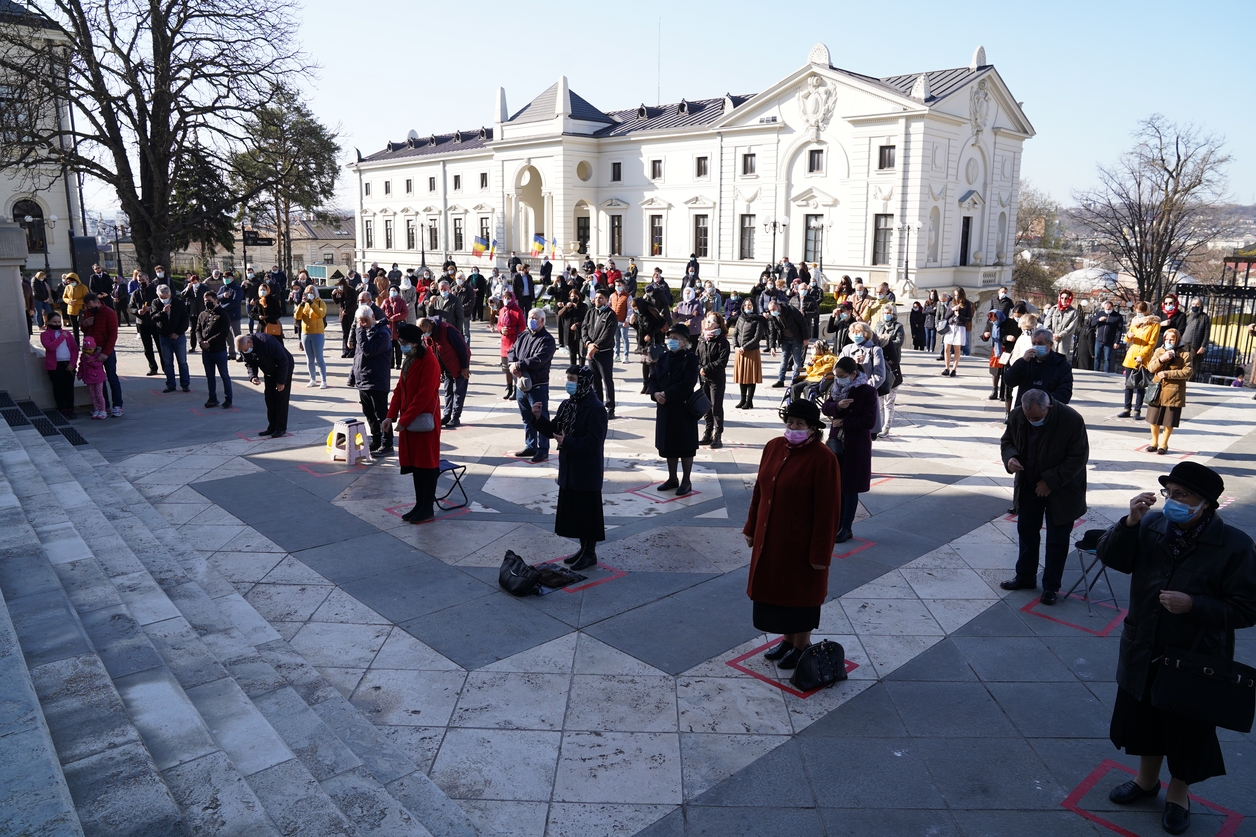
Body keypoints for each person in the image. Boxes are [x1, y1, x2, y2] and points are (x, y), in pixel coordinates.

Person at [1097, 463, 1256, 837]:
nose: (1172, 502)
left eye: (1182, 496)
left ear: (1206, 504)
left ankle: (1178, 797)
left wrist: (1195, 605)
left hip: (1194, 656)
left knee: (1186, 730)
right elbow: (1112, 558)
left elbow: (1248, 607)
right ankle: (1146, 781)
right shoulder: (1151, 526)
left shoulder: (1234, 545)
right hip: (1144, 643)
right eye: (1170, 494)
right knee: (1142, 718)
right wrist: (1129, 523)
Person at [743, 398, 839, 669]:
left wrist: (821, 553)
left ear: (812, 429)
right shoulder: (774, 447)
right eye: (790, 422)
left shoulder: (823, 459)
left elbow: (828, 511)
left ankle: (801, 646)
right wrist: (751, 528)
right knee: (778, 594)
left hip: (801, 542)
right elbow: (759, 492)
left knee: (801, 596)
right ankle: (788, 640)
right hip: (771, 538)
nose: (793, 427)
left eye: (799, 423)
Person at [999, 389, 1089, 605]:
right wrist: (1010, 458)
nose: (1031, 421)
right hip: (1029, 484)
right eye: (1029, 417)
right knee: (1027, 532)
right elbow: (1007, 441)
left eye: (1037, 418)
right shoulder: (1018, 415)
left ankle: (1051, 587)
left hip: (1062, 489)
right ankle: (1025, 577)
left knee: (1057, 540)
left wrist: (1050, 482)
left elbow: (1077, 458)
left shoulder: (1071, 419)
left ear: (1048, 408)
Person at [528, 366, 608, 570]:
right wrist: (538, 418)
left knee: (588, 513)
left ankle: (590, 553)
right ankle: (582, 549)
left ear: (584, 383)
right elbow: (554, 429)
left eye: (573, 379)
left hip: (587, 469)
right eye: (568, 378)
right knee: (576, 512)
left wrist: (568, 442)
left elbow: (593, 443)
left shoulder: (596, 408)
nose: (569, 383)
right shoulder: (567, 405)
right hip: (570, 466)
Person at [382, 323, 443, 523]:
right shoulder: (409, 360)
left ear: (415, 342)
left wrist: (404, 419)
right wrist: (390, 416)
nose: (401, 345)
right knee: (416, 465)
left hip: (424, 421)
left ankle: (427, 508)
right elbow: (400, 389)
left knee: (427, 464)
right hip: (411, 420)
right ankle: (419, 505)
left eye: (404, 342)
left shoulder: (429, 361)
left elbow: (424, 395)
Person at [823, 356, 877, 543]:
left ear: (854, 374)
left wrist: (845, 421)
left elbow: (869, 421)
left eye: (842, 376)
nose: (839, 379)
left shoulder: (868, 391)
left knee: (850, 488)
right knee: (836, 486)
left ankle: (846, 527)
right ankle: (836, 524)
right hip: (836, 443)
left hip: (855, 446)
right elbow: (826, 407)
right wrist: (837, 405)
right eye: (837, 376)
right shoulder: (837, 388)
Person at [648, 324, 701, 496]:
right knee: (668, 444)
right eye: (670, 338)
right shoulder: (663, 357)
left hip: (682, 407)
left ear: (685, 342)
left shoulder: (690, 358)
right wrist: (655, 393)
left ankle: (686, 480)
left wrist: (667, 394)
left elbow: (688, 383)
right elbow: (653, 378)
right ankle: (672, 478)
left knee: (685, 445)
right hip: (664, 407)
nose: (672, 341)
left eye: (676, 339)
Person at [507, 308, 556, 461]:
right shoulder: (523, 335)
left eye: (534, 318)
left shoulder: (547, 340)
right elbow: (512, 351)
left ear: (542, 321)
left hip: (537, 385)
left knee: (540, 417)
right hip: (521, 384)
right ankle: (531, 445)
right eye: (529, 317)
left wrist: (519, 366)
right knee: (526, 417)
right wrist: (512, 364)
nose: (531, 320)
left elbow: (539, 359)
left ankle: (543, 449)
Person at [350, 305, 393, 453]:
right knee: (369, 414)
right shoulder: (365, 333)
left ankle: (387, 443)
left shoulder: (382, 334)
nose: (363, 323)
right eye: (360, 321)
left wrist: (360, 330)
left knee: (380, 414)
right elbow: (358, 355)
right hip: (363, 380)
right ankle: (376, 440)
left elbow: (368, 351)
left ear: (373, 317)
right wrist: (353, 375)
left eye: (365, 320)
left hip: (377, 381)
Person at [238, 332, 294, 438]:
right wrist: (253, 376)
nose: (244, 352)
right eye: (242, 351)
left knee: (281, 398)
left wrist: (281, 381)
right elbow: (249, 363)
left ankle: (281, 428)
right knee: (269, 397)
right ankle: (272, 427)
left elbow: (283, 361)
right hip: (269, 371)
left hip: (283, 368)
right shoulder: (244, 347)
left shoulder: (266, 341)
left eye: (245, 349)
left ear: (250, 342)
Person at [1145, 329, 1192, 456]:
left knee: (1169, 420)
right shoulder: (1159, 351)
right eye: (1166, 339)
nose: (1169, 341)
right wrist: (1161, 359)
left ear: (1177, 340)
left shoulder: (1184, 354)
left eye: (1172, 339)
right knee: (1153, 418)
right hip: (1157, 389)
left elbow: (1188, 372)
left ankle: (1163, 444)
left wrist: (1168, 374)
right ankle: (1153, 443)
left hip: (1174, 391)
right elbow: (1150, 368)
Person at [419, 316, 471, 430]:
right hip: (446, 367)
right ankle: (447, 415)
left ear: (429, 326)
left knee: (458, 391)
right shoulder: (430, 335)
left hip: (458, 365)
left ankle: (456, 417)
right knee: (447, 391)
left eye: (423, 332)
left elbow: (462, 349)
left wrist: (465, 367)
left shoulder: (447, 330)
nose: (423, 335)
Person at [1004, 328, 1074, 406]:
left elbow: (1064, 394)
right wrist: (1022, 362)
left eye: (1040, 343)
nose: (1036, 346)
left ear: (1050, 344)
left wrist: (1041, 401)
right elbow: (1009, 381)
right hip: (1024, 409)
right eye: (1034, 343)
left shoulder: (1061, 364)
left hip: (1049, 411)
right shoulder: (1026, 361)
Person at [79, 293, 123, 417]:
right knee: (97, 379)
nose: (90, 308)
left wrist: (106, 353)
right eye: (88, 307)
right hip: (92, 351)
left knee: (112, 378)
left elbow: (113, 335)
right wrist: (84, 324)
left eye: (92, 306)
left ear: (98, 302)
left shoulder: (109, 313)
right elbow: (85, 330)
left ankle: (118, 405)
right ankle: (104, 406)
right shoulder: (88, 312)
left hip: (105, 350)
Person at [838, 322, 886, 431]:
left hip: (865, 396)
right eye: (853, 332)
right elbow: (836, 369)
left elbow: (879, 375)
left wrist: (864, 389)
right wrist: (852, 362)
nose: (855, 334)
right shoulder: (847, 349)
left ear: (865, 333)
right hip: (846, 394)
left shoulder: (875, 350)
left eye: (858, 332)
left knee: (865, 431)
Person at [1121, 302, 1161, 420]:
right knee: (1128, 384)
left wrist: (1142, 355)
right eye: (1137, 311)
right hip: (1131, 355)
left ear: (1147, 311)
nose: (1139, 314)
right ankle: (1126, 409)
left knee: (1140, 385)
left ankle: (1137, 411)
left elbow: (1152, 343)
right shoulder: (1134, 321)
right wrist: (1129, 336)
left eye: (1141, 312)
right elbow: (1127, 339)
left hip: (1144, 357)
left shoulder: (1154, 323)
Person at [582, 289, 618, 420]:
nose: (598, 300)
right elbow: (584, 328)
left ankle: (610, 407)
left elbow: (607, 335)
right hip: (591, 352)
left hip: (604, 353)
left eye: (601, 298)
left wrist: (595, 346)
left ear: (607, 300)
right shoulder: (590, 312)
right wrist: (588, 343)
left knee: (607, 380)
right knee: (594, 381)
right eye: (596, 297)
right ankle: (598, 405)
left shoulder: (610, 315)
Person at [697, 311, 730, 448]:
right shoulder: (702, 339)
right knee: (706, 407)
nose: (708, 323)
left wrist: (707, 368)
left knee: (716, 407)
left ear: (718, 324)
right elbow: (696, 356)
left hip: (716, 379)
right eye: (707, 320)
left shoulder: (722, 341)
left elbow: (722, 361)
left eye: (711, 321)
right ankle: (708, 433)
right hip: (703, 378)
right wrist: (700, 367)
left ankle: (718, 436)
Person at [196, 291, 233, 409]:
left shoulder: (222, 314)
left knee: (224, 375)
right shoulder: (202, 314)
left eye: (209, 301)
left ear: (216, 300)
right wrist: (201, 342)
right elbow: (197, 329)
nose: (207, 303)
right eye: (205, 301)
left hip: (218, 350)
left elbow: (224, 332)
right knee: (210, 375)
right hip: (206, 351)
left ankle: (228, 398)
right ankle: (212, 397)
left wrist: (209, 342)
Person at [152, 284, 191, 393]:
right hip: (164, 336)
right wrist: (163, 312)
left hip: (178, 336)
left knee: (182, 361)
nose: (164, 299)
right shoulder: (156, 302)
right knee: (168, 362)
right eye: (162, 297)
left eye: (166, 297)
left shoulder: (178, 302)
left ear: (170, 294)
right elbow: (153, 317)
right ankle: (170, 384)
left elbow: (185, 320)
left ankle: (185, 384)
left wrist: (178, 333)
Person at [873, 307, 904, 436]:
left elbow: (900, 341)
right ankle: (879, 426)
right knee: (879, 402)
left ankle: (887, 426)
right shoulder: (879, 325)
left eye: (889, 313)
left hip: (892, 372)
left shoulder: (898, 326)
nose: (886, 315)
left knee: (888, 402)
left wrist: (887, 340)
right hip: (880, 374)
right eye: (885, 313)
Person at [41, 312, 78, 418]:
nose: (57, 324)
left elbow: (74, 349)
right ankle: (62, 408)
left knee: (69, 388)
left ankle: (71, 408)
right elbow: (50, 347)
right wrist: (61, 337)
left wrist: (73, 363)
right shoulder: (45, 335)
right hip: (55, 365)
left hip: (68, 363)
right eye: (54, 322)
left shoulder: (67, 333)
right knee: (59, 387)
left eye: (58, 322)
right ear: (48, 322)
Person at [732, 296, 766, 410]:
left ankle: (749, 401)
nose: (747, 307)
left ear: (754, 306)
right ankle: (742, 400)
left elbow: (757, 338)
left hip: (751, 351)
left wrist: (744, 347)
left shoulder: (758, 320)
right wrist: (736, 346)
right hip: (740, 351)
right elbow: (735, 333)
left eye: (750, 305)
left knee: (750, 378)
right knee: (742, 376)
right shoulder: (740, 318)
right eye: (745, 305)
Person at [293, 285, 328, 389]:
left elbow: (321, 314)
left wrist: (312, 303)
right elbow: (297, 316)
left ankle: (323, 380)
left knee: (319, 358)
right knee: (309, 359)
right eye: (307, 292)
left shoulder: (321, 303)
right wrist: (302, 304)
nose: (310, 294)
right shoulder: (304, 304)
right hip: (305, 333)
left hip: (317, 333)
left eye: (312, 292)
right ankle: (312, 379)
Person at [631, 295, 667, 394]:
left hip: (652, 343)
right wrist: (632, 323)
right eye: (634, 309)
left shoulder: (650, 312)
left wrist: (651, 334)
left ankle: (652, 386)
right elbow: (639, 328)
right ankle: (645, 384)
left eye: (636, 308)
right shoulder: (638, 314)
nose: (635, 310)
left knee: (652, 365)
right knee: (644, 364)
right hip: (643, 344)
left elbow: (662, 322)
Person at [767, 299, 808, 387]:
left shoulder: (790, 310)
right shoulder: (772, 316)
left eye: (773, 309)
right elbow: (772, 332)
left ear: (778, 306)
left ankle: (797, 381)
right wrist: (772, 347)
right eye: (770, 310)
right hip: (785, 339)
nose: (772, 312)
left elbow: (803, 322)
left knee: (797, 360)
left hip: (796, 337)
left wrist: (806, 338)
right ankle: (780, 380)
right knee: (784, 359)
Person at [128, 272, 160, 375]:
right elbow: (131, 307)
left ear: (148, 280)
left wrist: (150, 308)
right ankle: (153, 367)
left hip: (155, 323)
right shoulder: (136, 293)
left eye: (143, 280)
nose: (141, 282)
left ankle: (166, 367)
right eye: (139, 281)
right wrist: (137, 311)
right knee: (147, 348)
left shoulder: (155, 290)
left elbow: (160, 304)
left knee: (161, 346)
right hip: (142, 323)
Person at [497, 289, 526, 400]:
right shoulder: (501, 311)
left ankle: (515, 389)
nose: (506, 300)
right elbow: (499, 325)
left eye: (508, 298)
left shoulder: (517, 311)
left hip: (514, 344)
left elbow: (522, 327)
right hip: (504, 343)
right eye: (505, 298)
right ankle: (508, 388)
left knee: (514, 369)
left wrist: (511, 330)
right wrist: (501, 330)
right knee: (506, 369)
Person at [940, 288, 972, 376]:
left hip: (960, 327)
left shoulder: (967, 303)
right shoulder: (951, 302)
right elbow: (946, 316)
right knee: (946, 348)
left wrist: (960, 316)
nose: (956, 296)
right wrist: (952, 309)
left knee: (957, 349)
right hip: (950, 327)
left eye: (958, 295)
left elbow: (969, 318)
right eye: (955, 295)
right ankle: (947, 368)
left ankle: (954, 369)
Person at [556, 288, 589, 368]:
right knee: (572, 352)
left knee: (581, 352)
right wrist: (566, 307)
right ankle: (573, 368)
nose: (573, 297)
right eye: (571, 296)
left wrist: (577, 324)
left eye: (575, 296)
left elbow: (587, 320)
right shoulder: (567, 306)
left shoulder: (583, 306)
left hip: (580, 334)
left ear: (578, 296)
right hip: (570, 333)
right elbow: (560, 315)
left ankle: (582, 368)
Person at [76, 335, 107, 419]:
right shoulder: (83, 356)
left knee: (99, 394)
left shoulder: (98, 355)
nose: (88, 351)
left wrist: (89, 359)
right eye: (86, 350)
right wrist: (80, 374)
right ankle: (96, 409)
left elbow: (98, 365)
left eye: (90, 349)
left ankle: (103, 410)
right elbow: (81, 365)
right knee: (93, 395)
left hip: (98, 378)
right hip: (88, 378)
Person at [1090, 299, 1125, 373]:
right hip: (1099, 339)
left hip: (1109, 341)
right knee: (1097, 357)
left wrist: (1117, 342)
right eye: (1106, 308)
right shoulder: (1100, 313)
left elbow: (1119, 330)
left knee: (1107, 358)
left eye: (1109, 309)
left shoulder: (1117, 316)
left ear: (1112, 308)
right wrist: (1099, 320)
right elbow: (1092, 324)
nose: (1107, 310)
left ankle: (1106, 373)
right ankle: (1096, 371)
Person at [1181, 299, 1212, 381]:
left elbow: (1206, 333)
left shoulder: (1204, 317)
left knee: (1192, 364)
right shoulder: (1187, 315)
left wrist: (1203, 346)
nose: (1195, 306)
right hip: (1183, 343)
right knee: (1181, 362)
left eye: (1197, 304)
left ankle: (1190, 381)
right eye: (1193, 304)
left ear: (1201, 305)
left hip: (1195, 344)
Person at [216, 271, 242, 360]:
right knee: (228, 336)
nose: (225, 279)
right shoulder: (223, 288)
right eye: (224, 278)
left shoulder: (237, 288)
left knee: (237, 335)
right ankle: (231, 353)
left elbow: (236, 302)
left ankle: (241, 354)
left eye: (227, 278)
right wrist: (223, 296)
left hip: (234, 315)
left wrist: (223, 308)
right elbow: (216, 297)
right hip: (224, 316)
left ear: (232, 278)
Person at [382, 285, 409, 369]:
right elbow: (381, 312)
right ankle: (390, 363)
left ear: (397, 292)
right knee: (389, 347)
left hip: (398, 327)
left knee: (398, 347)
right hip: (388, 327)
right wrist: (387, 318)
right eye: (391, 290)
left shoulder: (402, 302)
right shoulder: (386, 301)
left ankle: (398, 363)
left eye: (394, 290)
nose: (392, 292)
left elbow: (404, 313)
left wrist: (395, 317)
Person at [331, 275, 358, 358]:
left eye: (340, 285)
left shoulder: (352, 291)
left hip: (350, 314)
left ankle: (352, 350)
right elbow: (337, 302)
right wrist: (333, 295)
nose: (339, 287)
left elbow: (354, 304)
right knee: (345, 333)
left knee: (351, 332)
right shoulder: (340, 292)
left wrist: (346, 311)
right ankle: (345, 350)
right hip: (343, 315)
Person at [61, 272, 87, 343]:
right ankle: (76, 344)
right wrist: (68, 301)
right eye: (69, 282)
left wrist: (76, 301)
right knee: (75, 329)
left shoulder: (83, 287)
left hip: (81, 310)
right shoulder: (67, 287)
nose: (71, 283)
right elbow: (64, 297)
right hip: (71, 310)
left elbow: (86, 299)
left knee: (84, 328)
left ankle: (86, 343)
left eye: (72, 281)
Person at [610, 279, 632, 362]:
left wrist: (627, 320)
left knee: (624, 339)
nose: (617, 287)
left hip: (623, 321)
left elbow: (630, 309)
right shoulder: (612, 295)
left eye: (619, 285)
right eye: (616, 285)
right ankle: (617, 355)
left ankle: (626, 356)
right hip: (614, 321)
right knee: (616, 339)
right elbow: (609, 306)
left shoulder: (627, 296)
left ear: (623, 286)